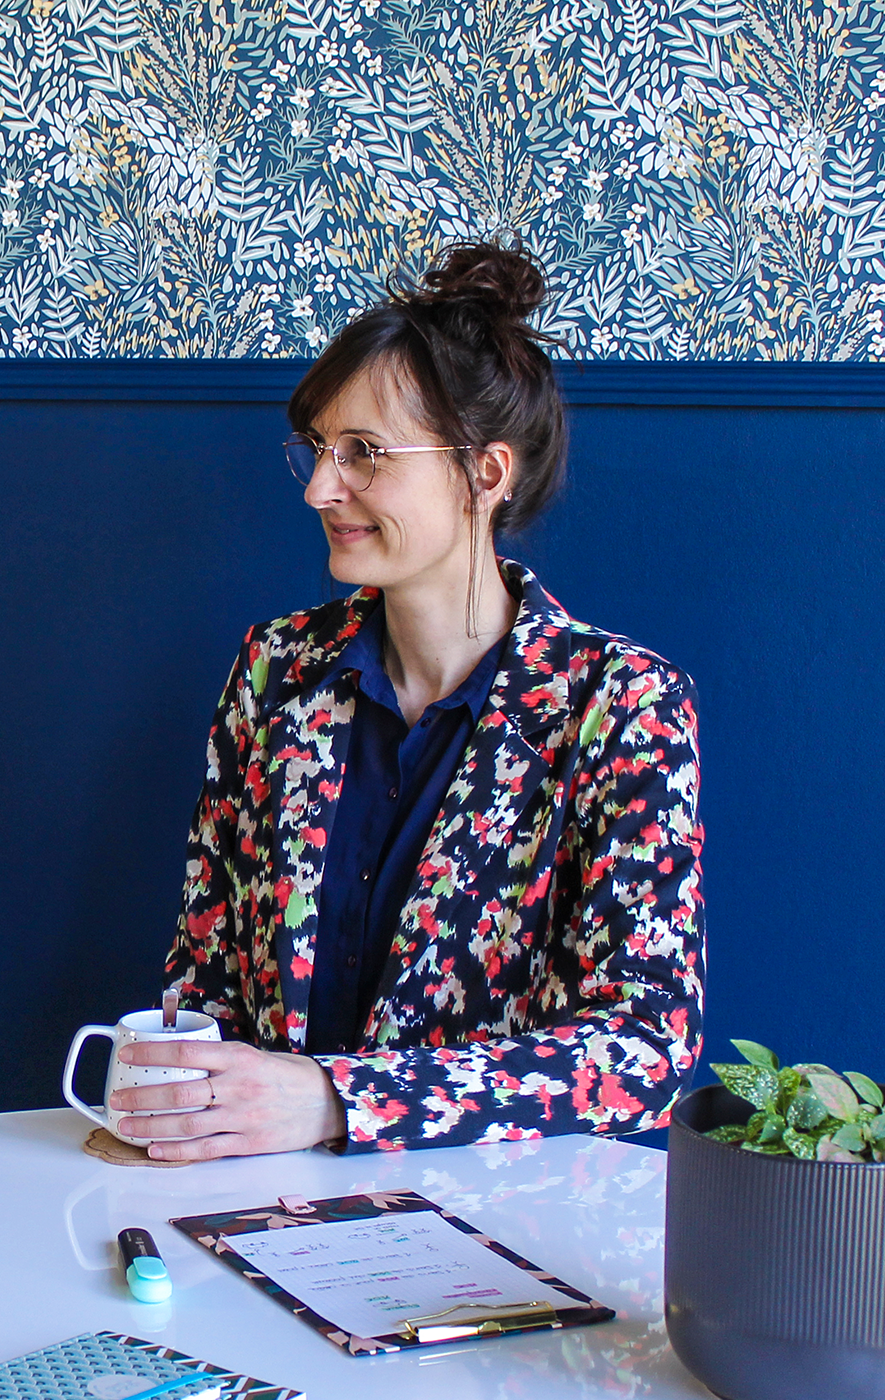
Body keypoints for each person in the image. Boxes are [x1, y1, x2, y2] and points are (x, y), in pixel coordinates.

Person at [116, 243, 703, 1160]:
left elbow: (642, 1050)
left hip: (503, 1237)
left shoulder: (619, 704)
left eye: (364, 454)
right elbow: (207, 974)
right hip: (248, 1200)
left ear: (486, 473)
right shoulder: (273, 671)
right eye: (316, 451)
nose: (319, 488)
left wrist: (335, 1099)